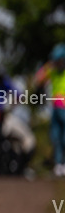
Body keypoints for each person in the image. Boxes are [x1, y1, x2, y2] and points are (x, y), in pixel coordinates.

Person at [34, 43, 65, 176]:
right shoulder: (52, 70)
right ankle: (58, 164)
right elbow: (38, 79)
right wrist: (48, 66)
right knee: (56, 136)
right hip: (55, 107)